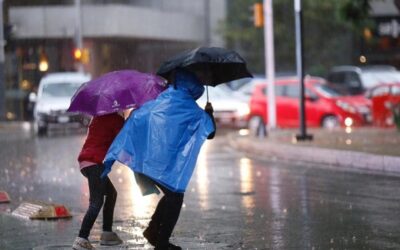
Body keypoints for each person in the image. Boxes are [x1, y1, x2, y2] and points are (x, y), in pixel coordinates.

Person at [102, 68, 216, 250]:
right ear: (193, 85)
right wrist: (209, 113)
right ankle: (160, 240)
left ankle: (154, 231)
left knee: (173, 194)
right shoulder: (188, 106)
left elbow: (139, 117)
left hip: (146, 163)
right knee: (175, 195)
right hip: (162, 167)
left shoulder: (161, 98)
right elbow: (210, 132)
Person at [72, 112, 125, 250]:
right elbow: (124, 138)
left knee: (111, 193)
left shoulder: (98, 116)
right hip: (94, 163)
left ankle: (107, 233)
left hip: (87, 162)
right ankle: (81, 238)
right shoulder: (115, 119)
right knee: (96, 202)